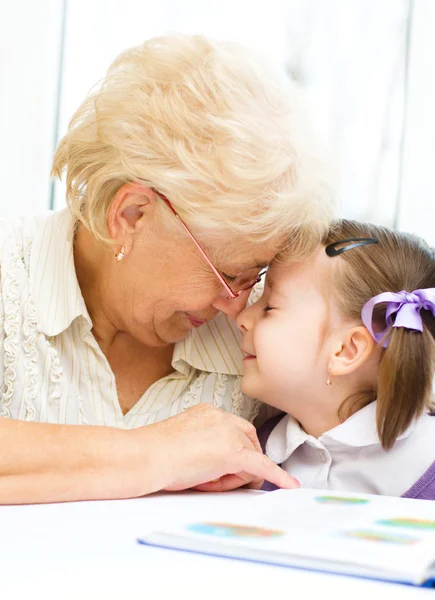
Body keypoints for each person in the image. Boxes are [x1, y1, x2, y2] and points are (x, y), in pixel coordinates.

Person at [0, 35, 335, 503]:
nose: (237, 304)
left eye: (254, 275)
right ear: (132, 214)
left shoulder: (265, 345)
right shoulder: (9, 273)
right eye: (227, 272)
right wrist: (153, 454)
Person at [237, 219, 435, 499]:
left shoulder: (426, 462)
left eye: (269, 306)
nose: (242, 318)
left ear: (346, 351)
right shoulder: (253, 456)